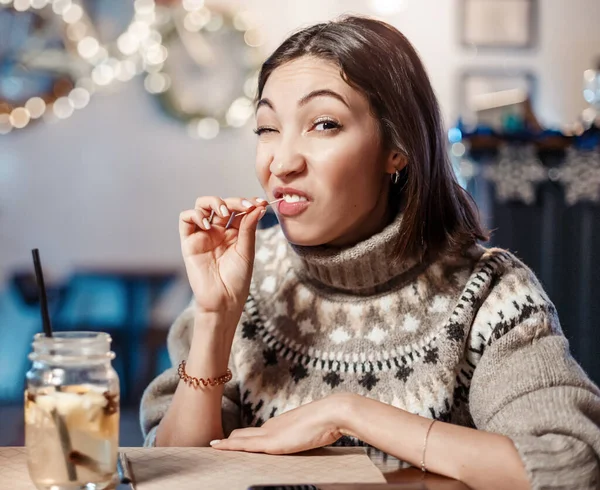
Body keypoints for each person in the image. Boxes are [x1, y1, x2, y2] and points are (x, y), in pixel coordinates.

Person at [141, 16, 600, 489]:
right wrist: (217, 316)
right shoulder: (248, 277)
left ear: (396, 148)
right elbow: (174, 475)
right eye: (267, 128)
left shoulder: (491, 295)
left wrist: (349, 413)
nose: (281, 162)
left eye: (323, 124)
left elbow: (573, 466)